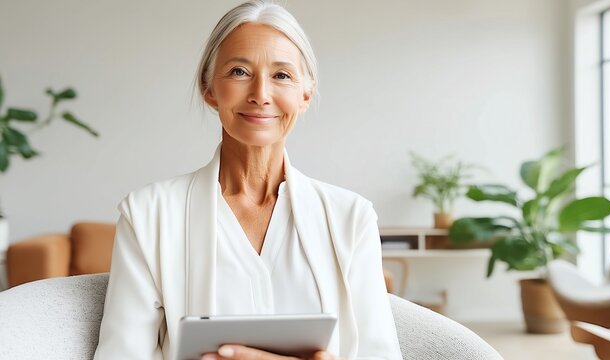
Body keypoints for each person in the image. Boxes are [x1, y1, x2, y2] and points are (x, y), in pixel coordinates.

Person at [93, 1, 402, 359]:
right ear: (209, 89)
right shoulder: (147, 215)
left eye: (282, 75)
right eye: (239, 71)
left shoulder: (351, 219)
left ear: (305, 94)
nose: (260, 94)